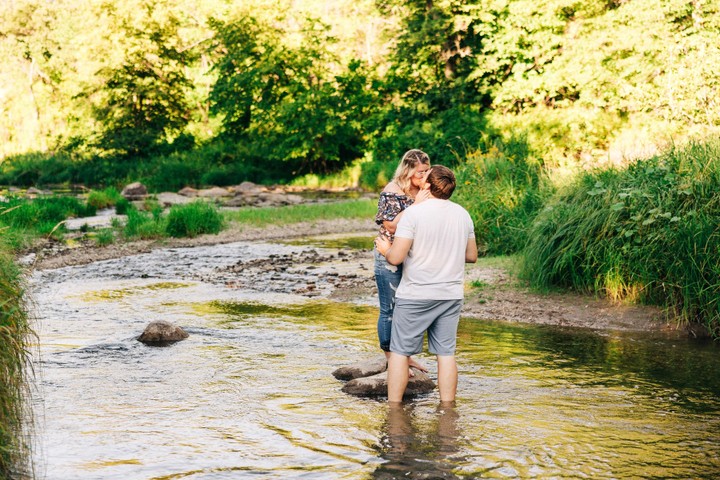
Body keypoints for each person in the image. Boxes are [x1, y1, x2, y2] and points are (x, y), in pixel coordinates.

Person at [374, 165, 477, 403]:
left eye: (425, 176)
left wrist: (385, 249)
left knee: (399, 353)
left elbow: (396, 258)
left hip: (416, 295)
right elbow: (471, 255)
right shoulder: (463, 214)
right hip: (450, 294)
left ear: (429, 185)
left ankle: (394, 411)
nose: (420, 178)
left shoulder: (414, 214)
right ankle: (448, 410)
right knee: (446, 354)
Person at [374, 149, 431, 375]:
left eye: (427, 171)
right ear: (407, 171)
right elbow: (391, 226)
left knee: (409, 308)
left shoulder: (425, 190)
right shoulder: (392, 190)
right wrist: (415, 204)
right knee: (389, 308)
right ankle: (391, 359)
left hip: (415, 256)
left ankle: (405, 357)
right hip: (388, 255)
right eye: (420, 172)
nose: (424, 176)